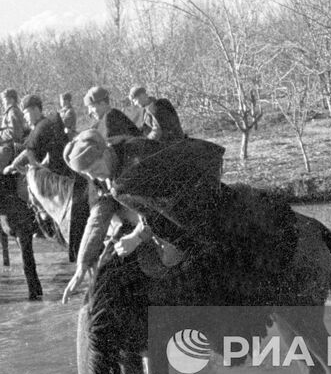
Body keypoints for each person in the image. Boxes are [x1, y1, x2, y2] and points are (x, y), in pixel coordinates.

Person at [58, 128, 227, 301]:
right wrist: (83, 263)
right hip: (163, 205)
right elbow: (99, 213)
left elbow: (164, 209)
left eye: (95, 168)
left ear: (106, 152)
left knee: (174, 257)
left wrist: (137, 236)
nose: (95, 177)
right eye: (87, 174)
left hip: (195, 197)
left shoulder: (137, 160)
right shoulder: (106, 169)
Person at [3, 94, 71, 176]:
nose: (24, 117)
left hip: (53, 177)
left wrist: (12, 166)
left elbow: (29, 152)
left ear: (35, 109)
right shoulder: (45, 124)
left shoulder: (41, 127)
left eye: (25, 113)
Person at [0, 88, 29, 171]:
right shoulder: (10, 111)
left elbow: (14, 132)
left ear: (12, 99)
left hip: (11, 145)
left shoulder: (13, 112)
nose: (2, 102)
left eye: (4, 99)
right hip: (9, 143)